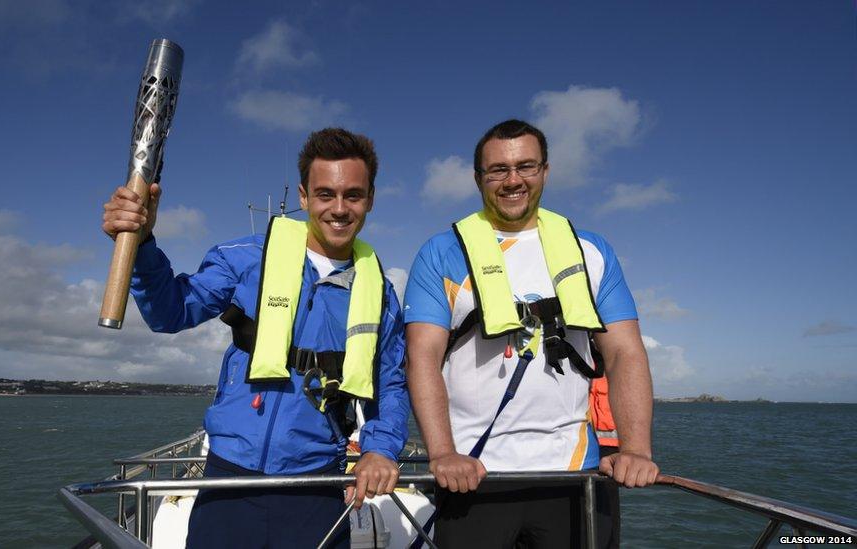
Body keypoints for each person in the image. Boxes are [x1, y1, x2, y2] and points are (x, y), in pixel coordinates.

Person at [101, 128, 409, 548]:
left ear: (370, 198)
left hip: (316, 485)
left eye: (353, 195)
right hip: (230, 481)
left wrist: (381, 449)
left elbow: (390, 383)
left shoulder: (381, 295)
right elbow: (170, 311)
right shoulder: (244, 259)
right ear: (304, 196)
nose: (339, 209)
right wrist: (143, 242)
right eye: (325, 194)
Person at [403, 119, 658, 547]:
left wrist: (636, 448)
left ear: (545, 171)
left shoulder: (592, 251)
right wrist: (443, 454)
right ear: (478, 178)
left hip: (575, 472)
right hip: (473, 473)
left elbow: (624, 353)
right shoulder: (441, 253)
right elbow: (421, 358)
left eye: (526, 166)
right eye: (498, 170)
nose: (513, 180)